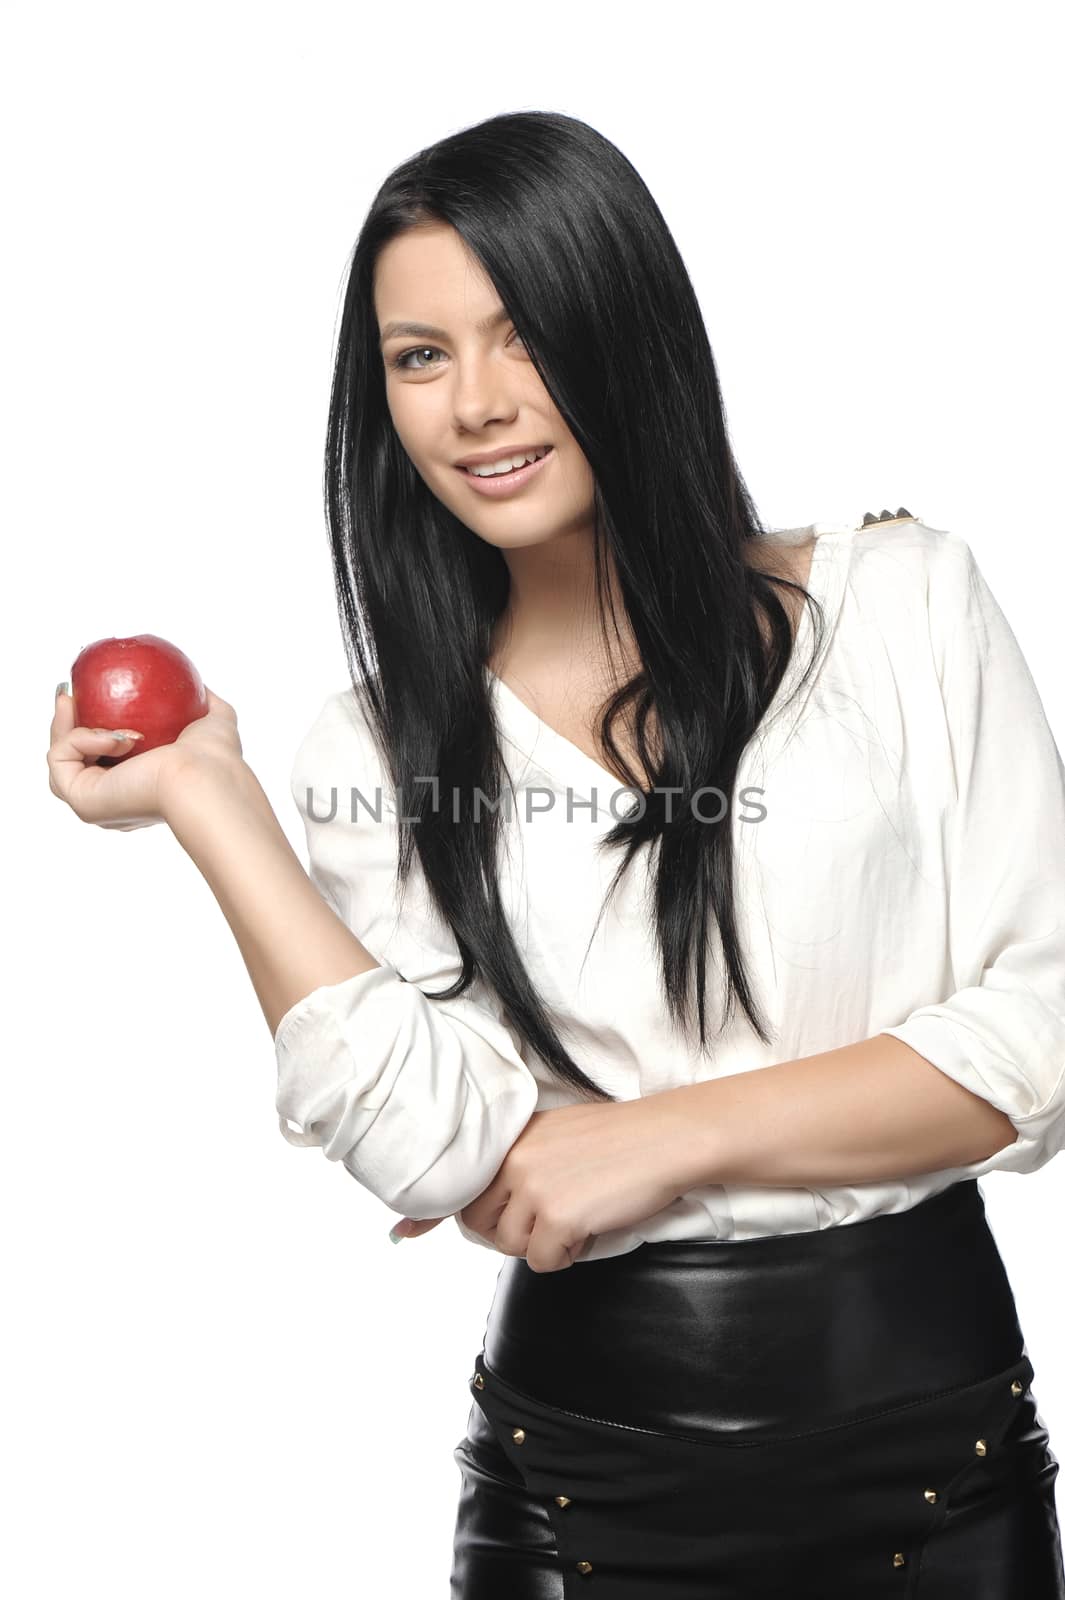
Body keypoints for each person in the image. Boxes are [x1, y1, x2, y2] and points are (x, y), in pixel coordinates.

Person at [47, 109, 1065, 1597]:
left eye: (520, 335)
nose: (473, 405)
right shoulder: (379, 754)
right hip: (575, 1491)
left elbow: (1037, 1031)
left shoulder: (903, 606)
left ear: (626, 331)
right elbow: (437, 1148)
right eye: (417, 356)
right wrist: (218, 804)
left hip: (936, 1461)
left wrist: (646, 1139)